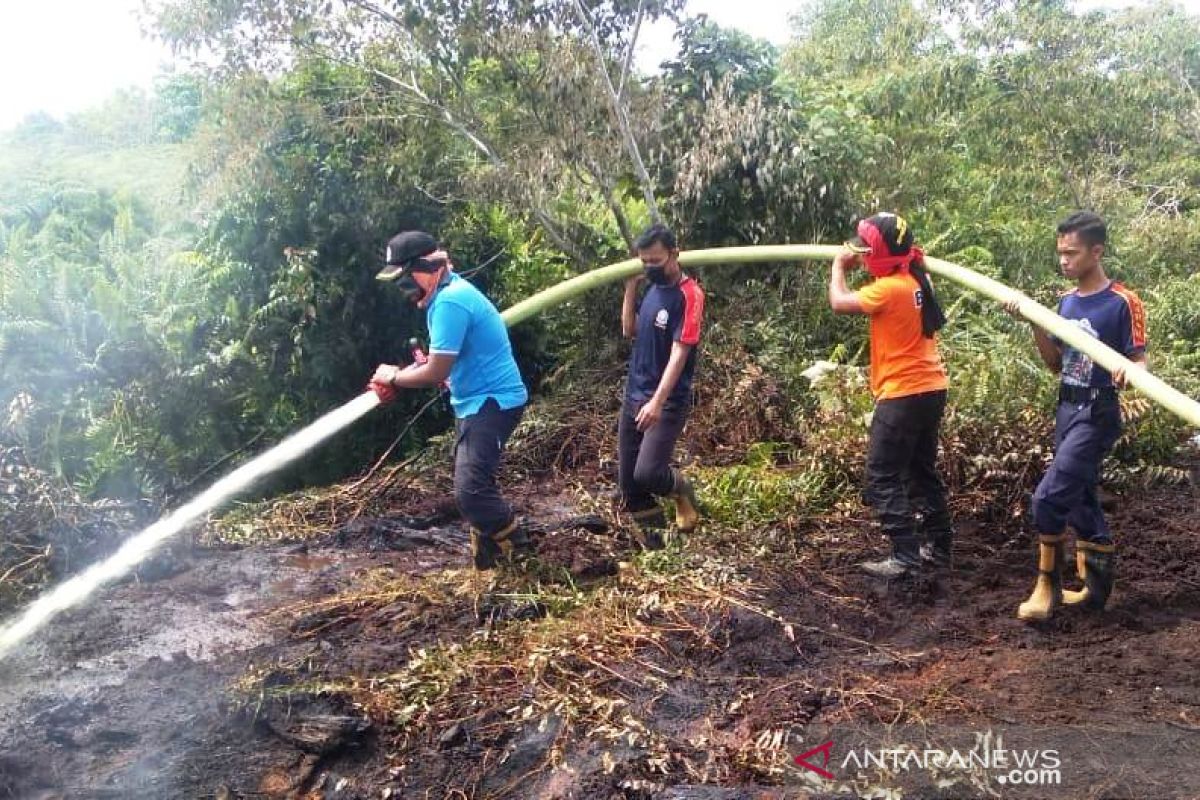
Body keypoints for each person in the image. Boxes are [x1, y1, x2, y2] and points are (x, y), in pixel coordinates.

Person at [1005, 211, 1147, 621]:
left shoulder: (1122, 301)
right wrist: (1034, 324)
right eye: (1061, 253)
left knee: (1048, 499)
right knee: (1081, 498)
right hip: (1066, 407)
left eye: (1072, 253)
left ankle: (1046, 587)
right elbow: (1056, 364)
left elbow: (1140, 362)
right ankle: (1095, 591)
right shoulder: (1066, 303)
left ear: (1096, 251)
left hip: (1097, 408)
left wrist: (1132, 371)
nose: (1064, 261)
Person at [369, 230, 531, 570]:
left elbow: (434, 371)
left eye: (405, 280)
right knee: (475, 483)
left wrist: (394, 377)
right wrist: (412, 371)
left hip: (492, 401)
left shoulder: (449, 302)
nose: (404, 291)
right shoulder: (445, 296)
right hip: (473, 401)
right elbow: (442, 362)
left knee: (470, 491)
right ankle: (488, 560)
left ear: (429, 267)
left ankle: (523, 556)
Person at [828, 212, 951, 578]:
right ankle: (939, 547)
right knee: (920, 471)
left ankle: (905, 555)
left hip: (903, 394)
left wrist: (838, 266)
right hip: (931, 388)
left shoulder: (888, 289)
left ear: (882, 254)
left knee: (880, 476)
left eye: (868, 252)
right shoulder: (916, 276)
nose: (863, 258)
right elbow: (902, 263)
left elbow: (839, 302)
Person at [618, 223, 704, 549]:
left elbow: (680, 352)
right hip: (634, 393)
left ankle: (681, 489)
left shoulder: (690, 294)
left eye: (656, 260)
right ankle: (657, 545)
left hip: (665, 400)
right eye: (644, 261)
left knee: (649, 474)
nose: (650, 267)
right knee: (629, 483)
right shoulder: (651, 288)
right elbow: (630, 330)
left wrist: (657, 401)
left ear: (674, 254)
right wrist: (629, 290)